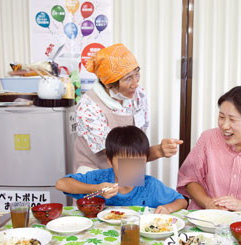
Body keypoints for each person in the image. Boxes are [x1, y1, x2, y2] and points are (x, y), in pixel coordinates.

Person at [74, 43, 182, 173]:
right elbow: (119, 152)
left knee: (136, 192)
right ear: (108, 83)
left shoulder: (139, 95)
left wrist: (158, 150)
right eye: (128, 78)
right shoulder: (88, 107)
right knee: (105, 192)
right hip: (94, 173)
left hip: (129, 168)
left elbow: (135, 144)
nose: (135, 84)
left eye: (136, 74)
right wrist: (157, 150)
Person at [57, 126, 188, 214]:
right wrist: (95, 189)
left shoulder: (150, 186)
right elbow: (61, 184)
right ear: (109, 160)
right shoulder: (100, 178)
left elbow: (182, 201)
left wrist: (167, 208)